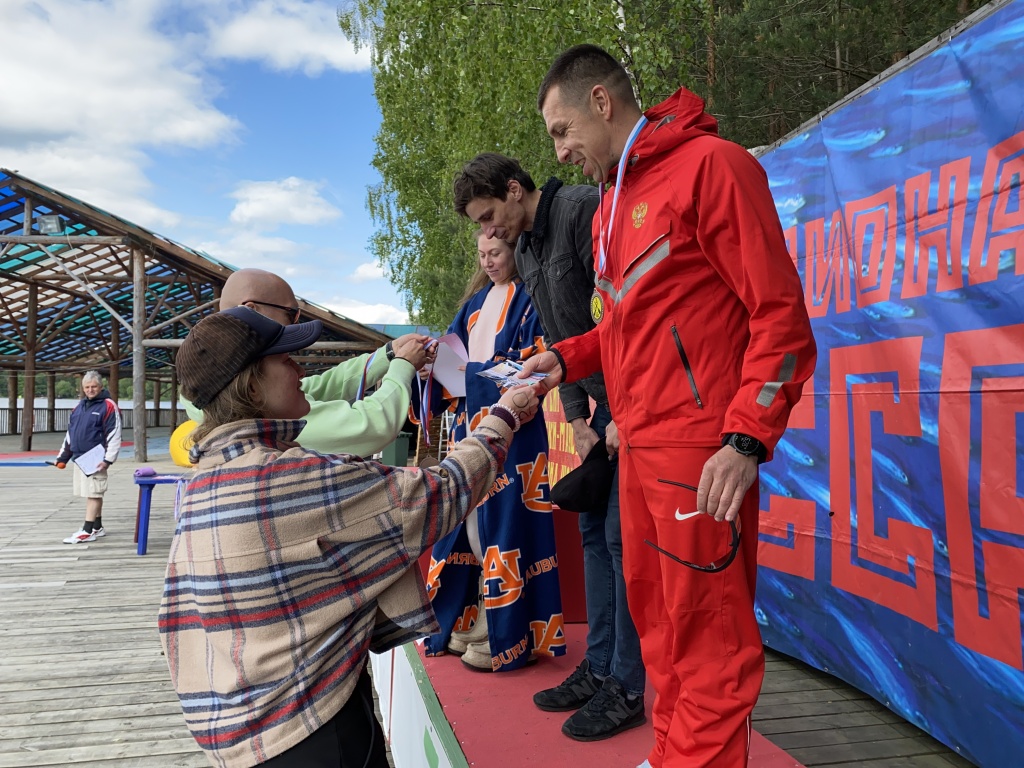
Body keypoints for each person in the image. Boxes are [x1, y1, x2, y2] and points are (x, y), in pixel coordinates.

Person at [521, 45, 817, 768]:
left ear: (601, 102)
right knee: (658, 627)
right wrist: (567, 358)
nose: (559, 153)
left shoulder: (714, 167)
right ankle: (673, 750)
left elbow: (780, 318)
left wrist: (744, 440)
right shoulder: (613, 204)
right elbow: (627, 326)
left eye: (561, 131)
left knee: (708, 637)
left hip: (699, 453)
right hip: (639, 448)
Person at [159, 305, 541, 768]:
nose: (302, 371)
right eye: (286, 359)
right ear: (252, 386)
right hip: (314, 728)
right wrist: (502, 417)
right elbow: (438, 495)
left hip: (240, 729)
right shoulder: (290, 478)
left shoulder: (201, 483)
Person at [454, 153, 645, 740]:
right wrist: (578, 417)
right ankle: (599, 666)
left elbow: (629, 320)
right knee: (593, 536)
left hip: (633, 403)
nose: (489, 233)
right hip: (594, 408)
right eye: (480, 227)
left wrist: (626, 411)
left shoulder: (584, 212)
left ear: (515, 190)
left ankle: (627, 685)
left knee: (621, 541)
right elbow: (565, 341)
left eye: (489, 216)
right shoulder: (531, 248)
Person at [418, 231, 565, 672]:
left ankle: (506, 628)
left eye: (495, 253)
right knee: (467, 522)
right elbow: (453, 358)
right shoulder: (474, 304)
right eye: (481, 254)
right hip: (469, 427)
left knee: (504, 527)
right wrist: (430, 367)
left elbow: (533, 362)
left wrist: (467, 373)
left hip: (516, 429)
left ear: (516, 251)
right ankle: (482, 611)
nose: (487, 262)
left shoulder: (532, 297)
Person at [184, 268, 434, 457]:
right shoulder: (273, 433)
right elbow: (369, 427)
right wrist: (403, 365)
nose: (301, 371)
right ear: (252, 310)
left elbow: (321, 386)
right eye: (291, 314)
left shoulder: (213, 383)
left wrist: (388, 354)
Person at [57, 371, 122, 544]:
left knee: (94, 493)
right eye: (87, 387)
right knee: (92, 493)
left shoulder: (109, 406)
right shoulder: (78, 407)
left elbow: (114, 434)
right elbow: (70, 434)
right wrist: (63, 457)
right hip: (80, 459)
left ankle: (87, 531)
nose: (90, 390)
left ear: (101, 387)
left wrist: (108, 459)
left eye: (94, 386)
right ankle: (97, 527)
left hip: (96, 459)